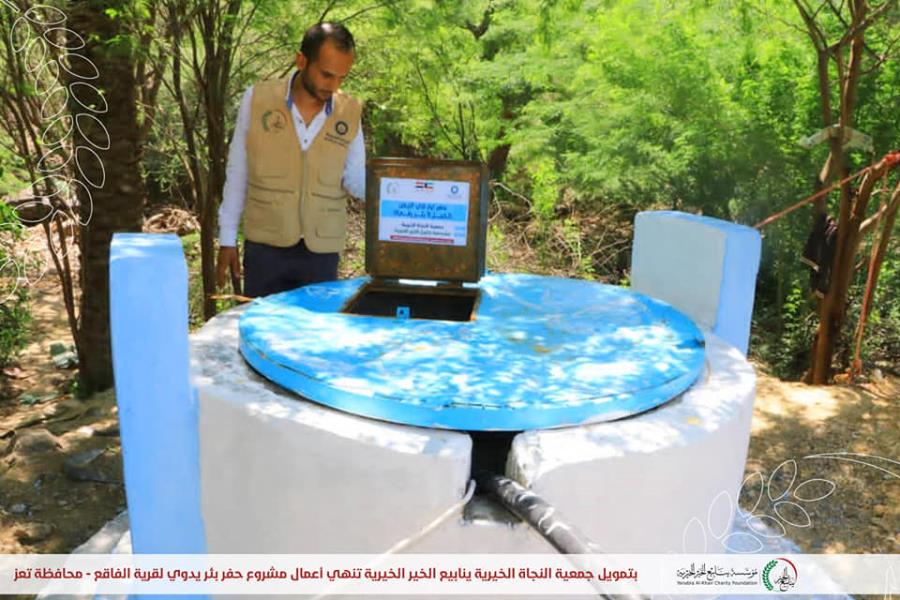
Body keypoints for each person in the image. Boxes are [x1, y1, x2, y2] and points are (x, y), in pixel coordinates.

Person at [216, 22, 365, 297]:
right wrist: (226, 238)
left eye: (342, 78)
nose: (333, 86)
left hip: (322, 253)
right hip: (265, 249)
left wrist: (399, 195)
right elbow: (238, 171)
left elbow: (357, 180)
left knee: (314, 337)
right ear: (301, 60)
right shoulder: (257, 99)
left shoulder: (350, 112)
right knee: (262, 334)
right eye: (326, 75)